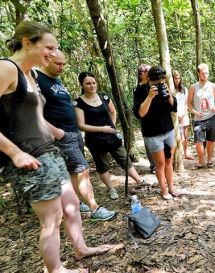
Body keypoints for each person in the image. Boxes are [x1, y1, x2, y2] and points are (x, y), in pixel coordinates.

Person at [0, 21, 112, 273]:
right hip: (28, 156)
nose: (53, 53)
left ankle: (80, 248)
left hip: (49, 150)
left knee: (72, 207)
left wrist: (56, 131)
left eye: (56, 47)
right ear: (27, 43)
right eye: (48, 47)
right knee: (51, 219)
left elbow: (32, 116)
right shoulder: (6, 68)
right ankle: (56, 269)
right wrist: (14, 153)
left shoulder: (30, 75)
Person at [37, 50, 116, 220]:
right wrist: (57, 133)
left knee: (75, 172)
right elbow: (32, 112)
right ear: (45, 60)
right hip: (62, 136)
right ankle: (95, 209)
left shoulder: (55, 81)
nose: (62, 67)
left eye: (64, 64)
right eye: (58, 64)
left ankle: (76, 203)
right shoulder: (37, 79)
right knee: (83, 170)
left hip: (73, 133)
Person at [74, 71, 149, 200]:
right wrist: (101, 129)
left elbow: (113, 111)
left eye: (93, 83)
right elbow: (81, 125)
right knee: (102, 165)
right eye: (88, 83)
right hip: (95, 139)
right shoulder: (78, 103)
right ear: (82, 84)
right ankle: (111, 189)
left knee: (123, 158)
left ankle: (139, 180)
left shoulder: (104, 96)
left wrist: (112, 126)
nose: (92, 86)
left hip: (111, 136)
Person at [133, 65, 180, 200]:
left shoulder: (164, 87)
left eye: (161, 79)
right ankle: (163, 190)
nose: (158, 82)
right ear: (149, 79)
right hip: (153, 134)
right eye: (155, 80)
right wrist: (149, 97)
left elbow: (174, 107)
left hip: (168, 130)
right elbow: (140, 113)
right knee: (160, 164)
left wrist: (169, 94)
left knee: (169, 161)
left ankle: (171, 188)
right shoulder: (141, 90)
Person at [187, 63, 215, 169]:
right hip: (199, 118)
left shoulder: (213, 86)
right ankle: (201, 161)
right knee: (199, 141)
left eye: (206, 73)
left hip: (211, 117)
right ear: (198, 73)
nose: (205, 75)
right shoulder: (193, 87)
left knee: (211, 140)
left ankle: (210, 160)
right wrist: (195, 112)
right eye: (203, 73)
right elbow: (188, 103)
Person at [134, 64, 156, 174]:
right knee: (148, 142)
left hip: (157, 117)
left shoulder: (153, 84)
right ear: (141, 74)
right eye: (145, 71)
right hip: (145, 119)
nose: (147, 73)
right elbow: (137, 109)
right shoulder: (138, 88)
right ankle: (153, 165)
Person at [173, 70, 194, 160]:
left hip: (184, 115)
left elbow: (187, 103)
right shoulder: (170, 90)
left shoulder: (184, 90)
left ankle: (186, 153)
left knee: (185, 136)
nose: (177, 80)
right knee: (174, 136)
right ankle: (176, 155)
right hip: (174, 116)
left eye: (178, 78)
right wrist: (176, 115)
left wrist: (183, 114)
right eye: (175, 78)